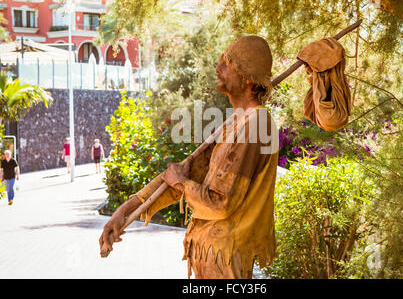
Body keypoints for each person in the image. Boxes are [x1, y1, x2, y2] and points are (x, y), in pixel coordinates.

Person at [99, 35, 279, 279]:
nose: (218, 68)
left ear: (246, 78)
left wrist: (181, 183)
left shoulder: (257, 124)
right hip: (211, 259)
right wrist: (122, 214)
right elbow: (182, 175)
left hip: (228, 262)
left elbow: (220, 204)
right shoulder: (235, 122)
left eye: (227, 63)